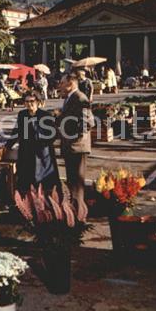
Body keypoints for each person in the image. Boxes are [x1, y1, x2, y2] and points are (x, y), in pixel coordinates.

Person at [4, 90, 60, 193]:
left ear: (38, 102)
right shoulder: (22, 114)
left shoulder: (45, 115)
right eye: (26, 101)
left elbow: (54, 134)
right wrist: (7, 146)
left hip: (42, 155)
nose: (29, 104)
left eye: (32, 101)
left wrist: (42, 141)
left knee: (43, 184)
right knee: (25, 181)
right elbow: (17, 132)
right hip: (26, 153)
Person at [56, 72, 94, 209]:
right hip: (70, 147)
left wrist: (74, 137)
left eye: (62, 83)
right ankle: (74, 213)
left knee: (77, 185)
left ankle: (79, 215)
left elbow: (88, 122)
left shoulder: (80, 98)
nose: (59, 85)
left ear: (70, 84)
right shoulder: (69, 98)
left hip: (77, 147)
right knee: (72, 183)